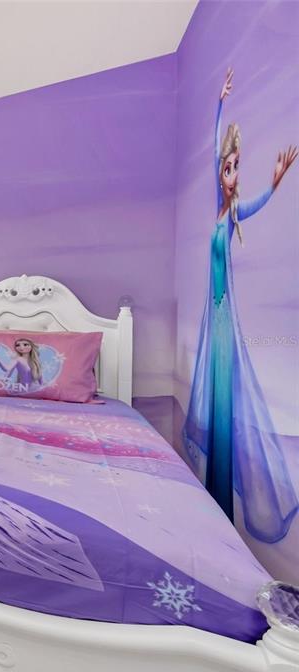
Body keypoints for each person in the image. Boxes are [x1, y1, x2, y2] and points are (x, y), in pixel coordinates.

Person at [182, 67, 298, 543]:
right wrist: (219, 102)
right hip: (214, 320)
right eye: (227, 168)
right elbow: (216, 147)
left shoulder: (233, 214)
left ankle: (225, 502)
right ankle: (214, 498)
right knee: (214, 398)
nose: (231, 175)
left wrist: (276, 182)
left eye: (235, 169)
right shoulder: (218, 206)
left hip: (224, 320)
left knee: (225, 396)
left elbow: (260, 202)